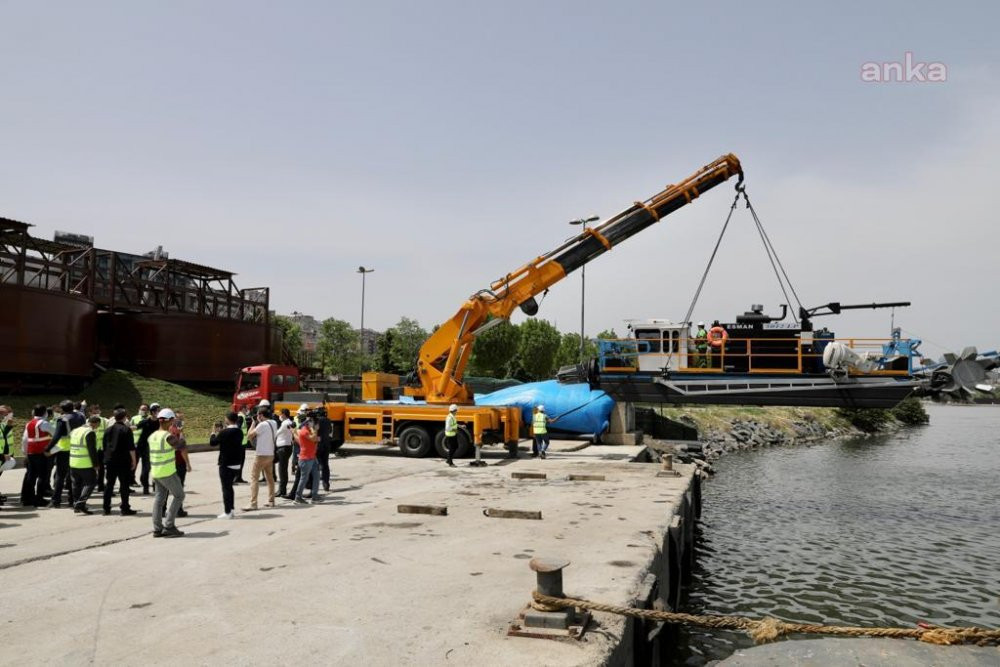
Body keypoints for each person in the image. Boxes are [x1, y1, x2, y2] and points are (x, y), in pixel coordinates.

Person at [148, 408, 187, 538]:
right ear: (169, 420)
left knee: (159, 499)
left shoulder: (152, 436)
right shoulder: (167, 436)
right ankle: (169, 525)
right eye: (172, 420)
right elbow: (180, 446)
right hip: (168, 472)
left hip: (156, 472)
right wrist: (181, 434)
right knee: (179, 495)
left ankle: (157, 529)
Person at [48, 400, 84, 508]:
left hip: (64, 450)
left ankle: (56, 501)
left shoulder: (62, 419)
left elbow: (56, 436)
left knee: (60, 476)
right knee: (74, 476)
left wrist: (48, 448)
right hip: (78, 448)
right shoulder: (81, 416)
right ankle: (73, 500)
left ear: (62, 409)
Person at [102, 408, 137, 516]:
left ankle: (106, 508)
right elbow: (131, 448)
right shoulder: (126, 430)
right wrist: (134, 461)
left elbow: (104, 446)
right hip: (123, 461)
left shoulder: (108, 430)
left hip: (110, 460)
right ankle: (125, 508)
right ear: (125, 417)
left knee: (109, 485)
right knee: (124, 485)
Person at [20, 405, 55, 507]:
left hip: (31, 453)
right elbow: (55, 433)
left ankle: (27, 499)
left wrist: (25, 453)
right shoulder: (44, 423)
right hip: (42, 453)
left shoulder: (29, 423)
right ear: (45, 413)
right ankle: (39, 499)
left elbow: (25, 440)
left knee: (31, 476)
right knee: (43, 476)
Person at [210, 413, 243, 519]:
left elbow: (213, 443)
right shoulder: (239, 431)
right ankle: (231, 509)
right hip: (237, 463)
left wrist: (213, 433)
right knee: (230, 487)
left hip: (226, 463)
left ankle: (227, 511)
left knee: (225, 488)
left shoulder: (224, 432)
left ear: (228, 420)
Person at [68, 415, 102, 514]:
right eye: (97, 425)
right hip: (85, 463)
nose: (97, 427)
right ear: (94, 423)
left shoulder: (75, 430)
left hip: (73, 462)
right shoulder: (89, 432)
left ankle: (76, 504)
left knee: (76, 484)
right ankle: (80, 503)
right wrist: (96, 464)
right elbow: (92, 450)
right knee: (91, 482)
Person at [245, 407, 277, 510]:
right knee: (270, 478)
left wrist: (253, 423)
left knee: (254, 478)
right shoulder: (274, 423)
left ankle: (253, 503)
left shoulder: (262, 425)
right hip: (270, 454)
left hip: (261, 455)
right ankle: (271, 500)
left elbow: (249, 436)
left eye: (258, 415)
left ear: (261, 415)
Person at [166, 410, 192, 518]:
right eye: (179, 419)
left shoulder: (165, 430)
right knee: (179, 487)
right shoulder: (178, 432)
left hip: (167, 463)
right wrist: (188, 463)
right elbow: (183, 450)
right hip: (178, 462)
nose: (181, 421)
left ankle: (162, 509)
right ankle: (178, 510)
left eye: (182, 419)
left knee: (166, 488)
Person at [293, 414, 320, 504]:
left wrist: (314, 431)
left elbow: (315, 439)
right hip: (306, 459)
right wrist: (314, 429)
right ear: (307, 423)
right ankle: (298, 497)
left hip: (312, 457)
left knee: (316, 476)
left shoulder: (308, 430)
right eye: (310, 422)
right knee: (304, 478)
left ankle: (314, 496)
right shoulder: (304, 431)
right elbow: (314, 438)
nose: (312, 423)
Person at [135, 403, 160, 495]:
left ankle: (154, 485)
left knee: (155, 468)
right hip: (145, 448)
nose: (159, 412)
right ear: (153, 412)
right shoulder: (145, 421)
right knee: (146, 469)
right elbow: (136, 427)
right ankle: (145, 486)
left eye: (159, 411)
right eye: (157, 411)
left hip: (156, 448)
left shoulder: (160, 422)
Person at [274, 408, 295, 498]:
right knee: (283, 469)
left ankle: (282, 490)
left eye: (280, 414)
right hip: (286, 447)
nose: (280, 416)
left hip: (283, 448)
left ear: (283, 414)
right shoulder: (289, 422)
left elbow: (277, 433)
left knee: (282, 470)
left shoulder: (285, 423)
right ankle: (282, 489)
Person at [88, 404, 108, 493]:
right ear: (90, 413)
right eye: (94, 413)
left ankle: (100, 485)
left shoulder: (104, 421)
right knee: (90, 468)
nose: (96, 414)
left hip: (101, 448)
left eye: (98, 412)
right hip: (91, 448)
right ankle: (90, 485)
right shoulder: (87, 421)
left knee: (101, 468)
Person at [0, 406, 14, 505]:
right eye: (5, 414)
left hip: (3, 456)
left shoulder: (1, 425)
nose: (7, 416)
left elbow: (4, 437)